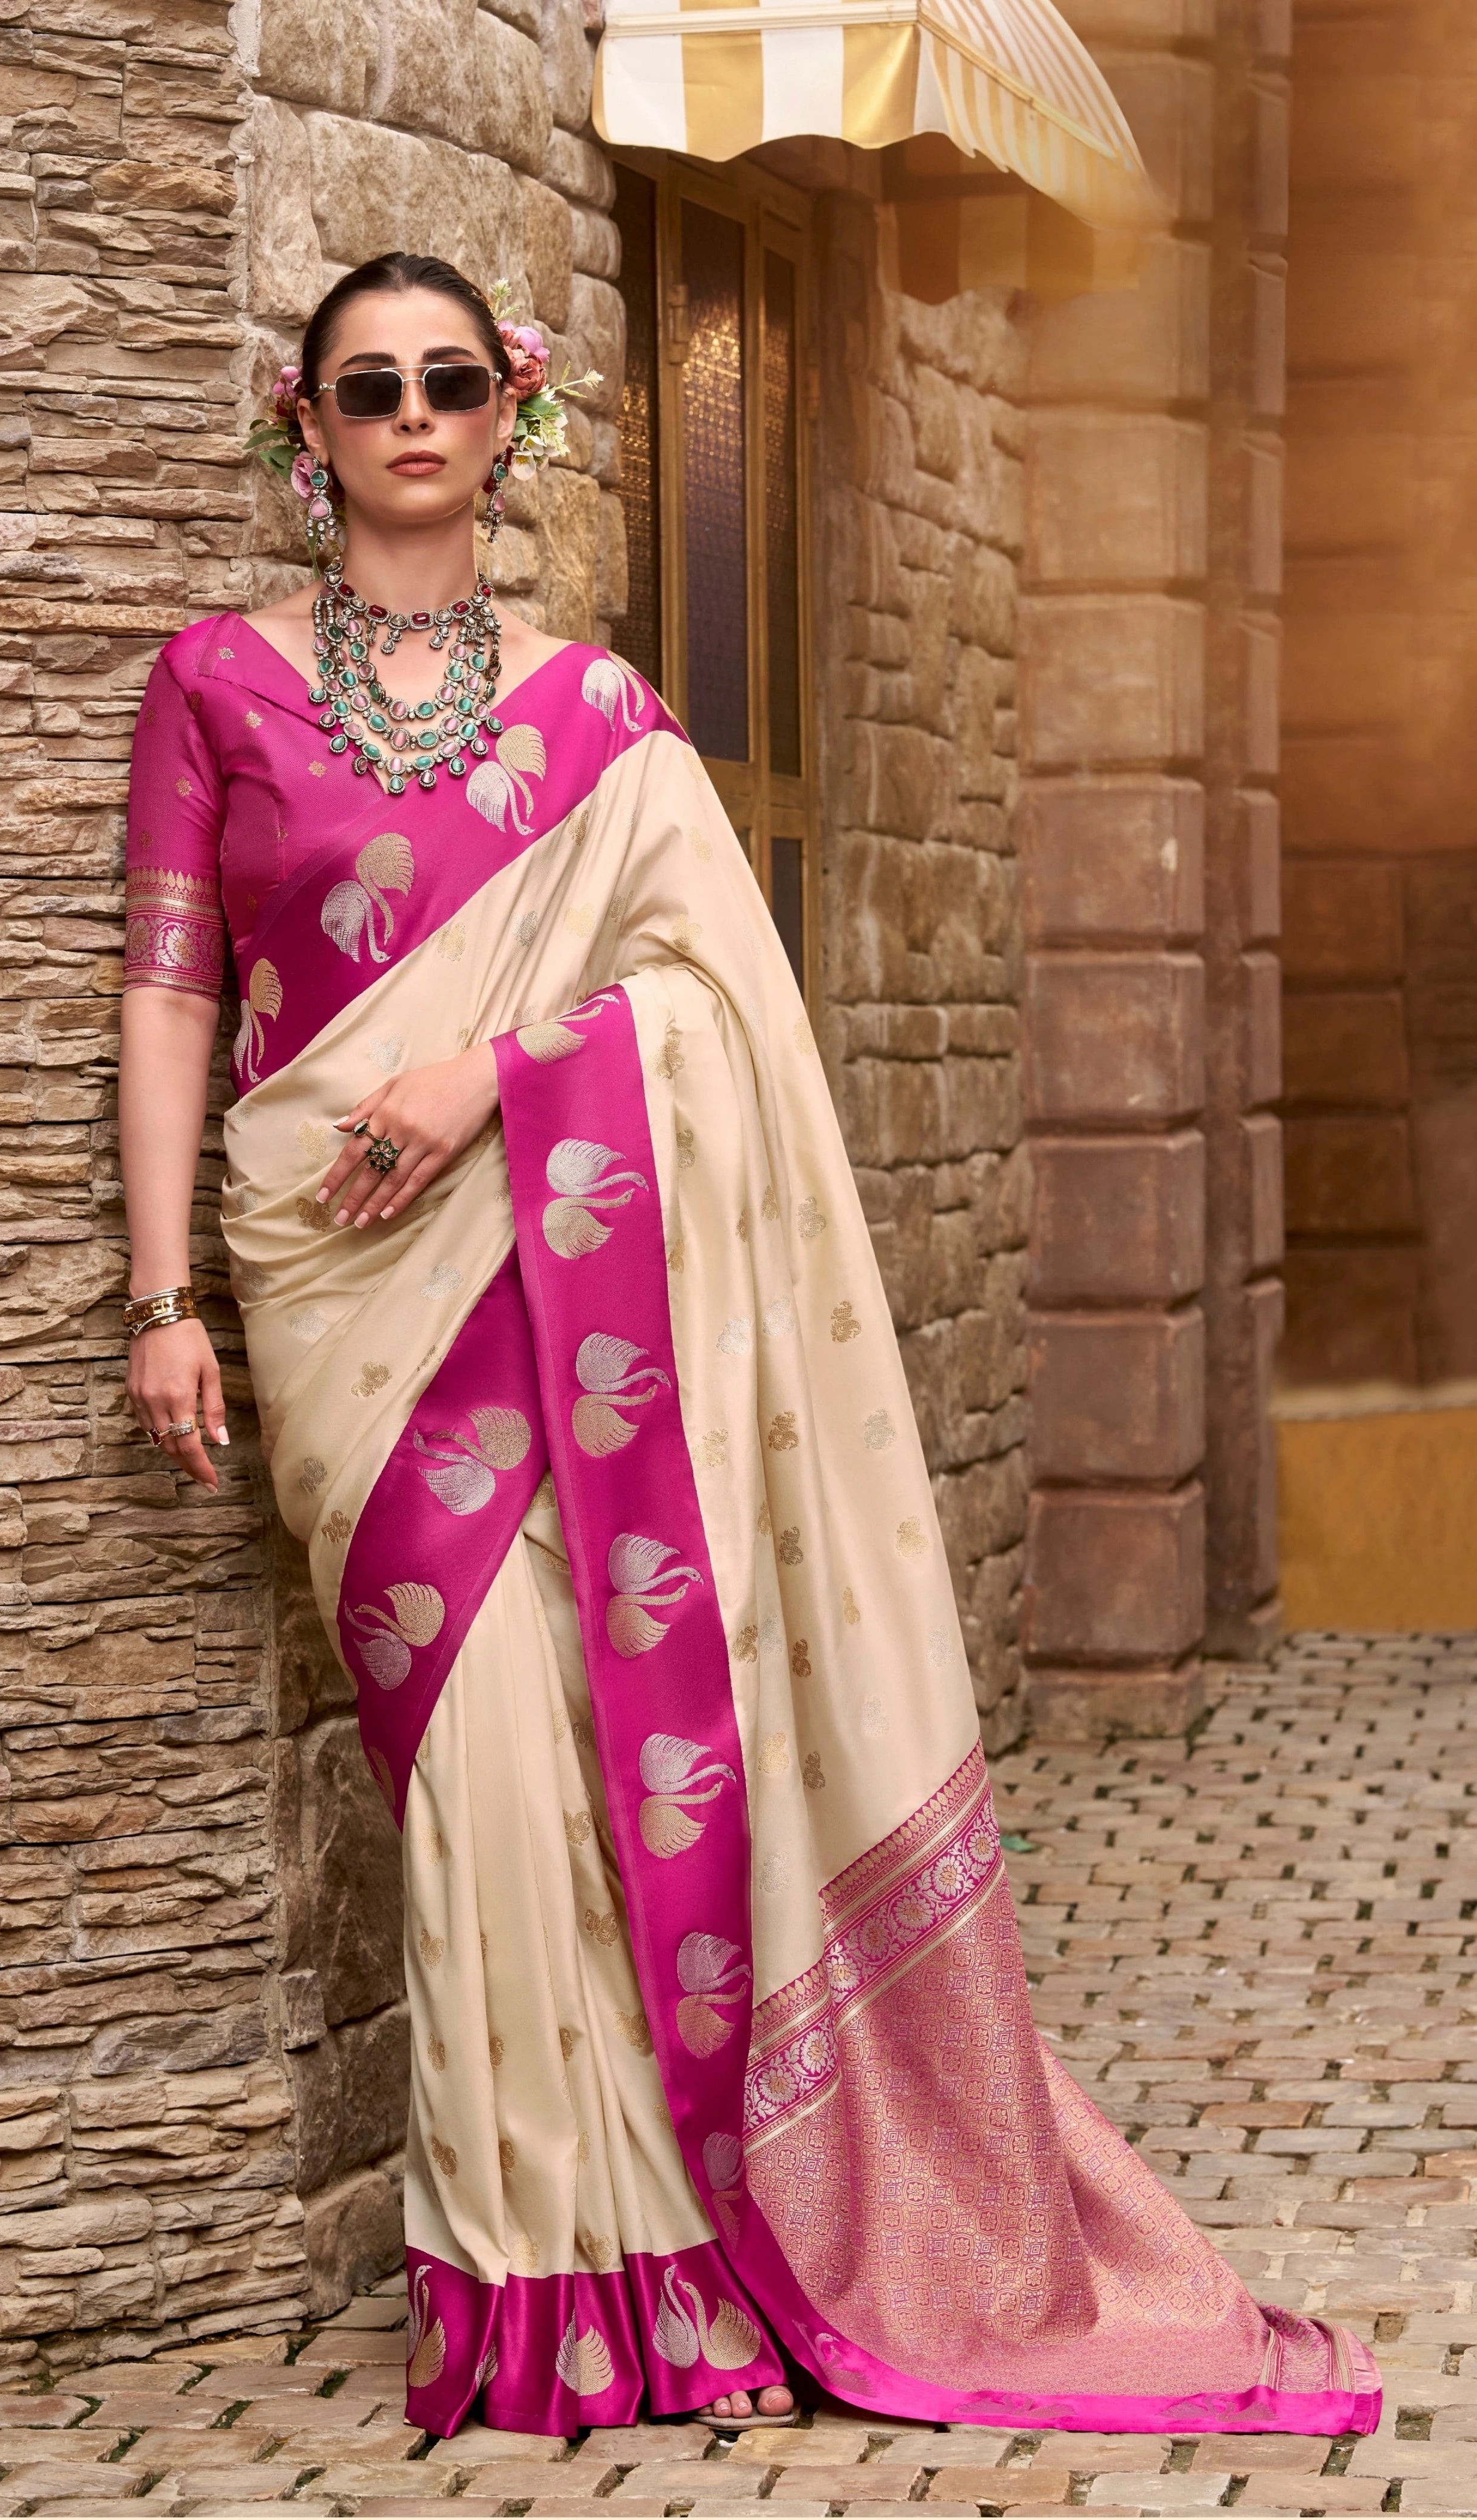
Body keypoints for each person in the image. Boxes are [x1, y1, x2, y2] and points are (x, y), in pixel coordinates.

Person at [117, 250, 1379, 2443]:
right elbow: (167, 1000)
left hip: (530, 1246)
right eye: (364, 387)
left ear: (505, 415)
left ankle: (648, 2274)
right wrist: (161, 1295)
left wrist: (501, 1078)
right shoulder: (213, 688)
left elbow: (715, 1019)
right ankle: (535, 2271)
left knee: (579, 1777)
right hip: (331, 1291)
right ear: (300, 428)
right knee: (479, 1785)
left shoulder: (599, 722)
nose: (410, 417)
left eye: (446, 381)